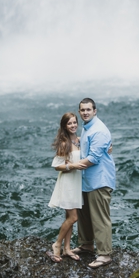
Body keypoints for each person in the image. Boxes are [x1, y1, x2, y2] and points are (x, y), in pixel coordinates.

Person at [68, 98, 116, 268]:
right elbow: (89, 146)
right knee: (84, 214)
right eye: (82, 110)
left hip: (99, 181)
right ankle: (87, 244)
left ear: (95, 111)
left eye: (89, 109)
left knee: (100, 218)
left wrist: (70, 167)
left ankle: (105, 255)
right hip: (87, 180)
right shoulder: (88, 127)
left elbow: (94, 158)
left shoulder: (99, 130)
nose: (85, 112)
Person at [45, 112, 82, 262]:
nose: (73, 125)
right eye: (69, 123)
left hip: (77, 183)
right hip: (67, 183)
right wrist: (72, 166)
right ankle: (57, 244)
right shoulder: (64, 143)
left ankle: (67, 248)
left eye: (74, 123)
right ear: (64, 126)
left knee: (69, 217)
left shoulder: (79, 140)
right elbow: (56, 166)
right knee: (74, 217)